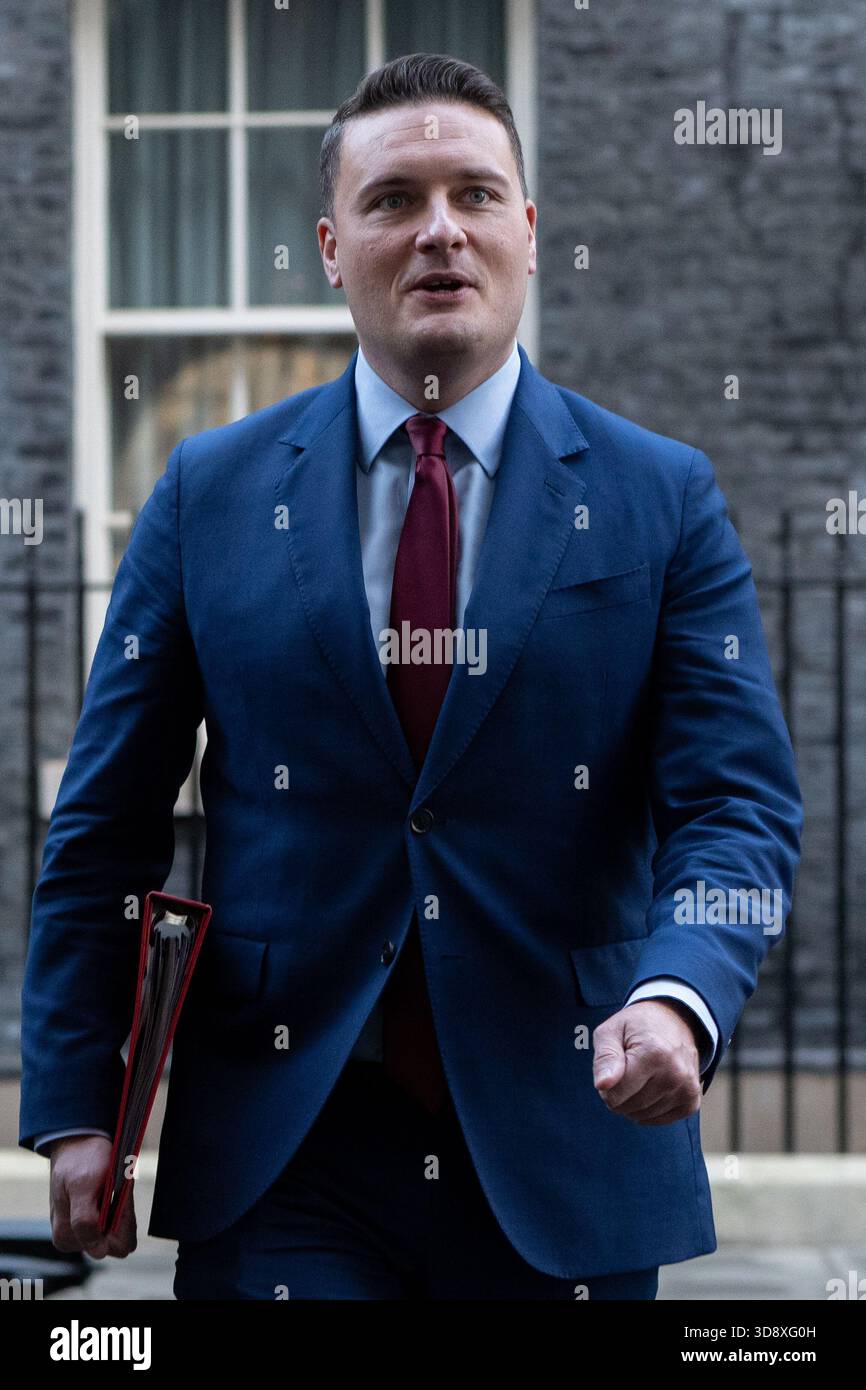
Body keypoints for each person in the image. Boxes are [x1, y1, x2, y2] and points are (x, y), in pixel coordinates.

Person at [19, 53, 802, 1300]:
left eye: (475, 195)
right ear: (331, 247)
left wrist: (678, 996)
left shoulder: (659, 496)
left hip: (564, 1138)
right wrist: (74, 1104)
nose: (439, 230)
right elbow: (105, 823)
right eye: (393, 200)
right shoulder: (205, 495)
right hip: (290, 1150)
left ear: (529, 233)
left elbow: (737, 806)